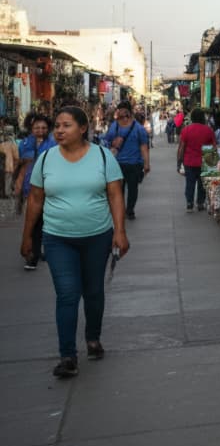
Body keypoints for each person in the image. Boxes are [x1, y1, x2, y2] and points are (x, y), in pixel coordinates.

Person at [19, 106, 129, 379]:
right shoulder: (46, 159)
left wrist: (120, 231)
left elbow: (115, 195)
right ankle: (67, 355)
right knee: (67, 294)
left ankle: (93, 337)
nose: (59, 130)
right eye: (57, 125)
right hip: (58, 239)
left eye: (66, 125)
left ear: (83, 128)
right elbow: (35, 199)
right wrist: (27, 237)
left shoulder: (102, 157)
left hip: (97, 237)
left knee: (93, 291)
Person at [14, 114, 57, 270]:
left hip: (49, 187)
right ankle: (32, 255)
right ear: (31, 128)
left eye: (44, 128)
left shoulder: (54, 143)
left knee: (43, 222)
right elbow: (22, 165)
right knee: (33, 221)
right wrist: (18, 184)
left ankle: (38, 251)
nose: (40, 130)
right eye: (37, 128)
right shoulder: (25, 144)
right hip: (30, 187)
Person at [104, 102, 151, 220]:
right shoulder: (116, 126)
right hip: (119, 163)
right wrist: (112, 143)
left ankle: (129, 210)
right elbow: (106, 141)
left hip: (131, 164)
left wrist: (146, 163)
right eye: (121, 111)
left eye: (124, 111)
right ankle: (125, 210)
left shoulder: (136, 128)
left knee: (130, 189)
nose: (122, 114)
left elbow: (144, 147)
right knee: (122, 189)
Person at [176, 108, 214, 212]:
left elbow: (181, 148)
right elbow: (212, 148)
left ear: (192, 118)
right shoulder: (208, 130)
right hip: (204, 162)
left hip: (189, 162)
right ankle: (200, 203)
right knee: (202, 184)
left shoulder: (186, 130)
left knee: (190, 183)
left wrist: (179, 163)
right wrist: (213, 165)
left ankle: (189, 203)